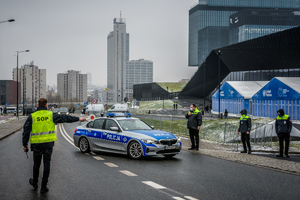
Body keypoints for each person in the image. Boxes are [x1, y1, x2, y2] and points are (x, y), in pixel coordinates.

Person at [22, 98, 86, 193]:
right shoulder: (51, 115)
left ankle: (35, 183)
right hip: (48, 144)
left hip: (36, 145)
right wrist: (78, 118)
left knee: (36, 164)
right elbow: (65, 118)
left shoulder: (32, 116)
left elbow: (26, 130)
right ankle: (44, 187)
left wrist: (24, 144)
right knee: (46, 164)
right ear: (46, 105)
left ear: (38, 105)